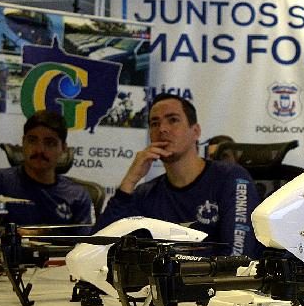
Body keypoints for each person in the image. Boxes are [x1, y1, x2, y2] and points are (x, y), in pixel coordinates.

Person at [98, 94, 260, 257]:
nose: (162, 129)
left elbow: (239, 257)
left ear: (195, 131)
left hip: (216, 274)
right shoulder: (145, 193)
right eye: (155, 123)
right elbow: (96, 249)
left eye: (173, 120)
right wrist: (130, 180)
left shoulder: (231, 178)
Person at [0, 110, 93, 229]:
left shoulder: (77, 196)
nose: (39, 150)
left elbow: (86, 239)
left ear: (63, 148)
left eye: (49, 143)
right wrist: (9, 236)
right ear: (23, 142)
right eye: (32, 141)